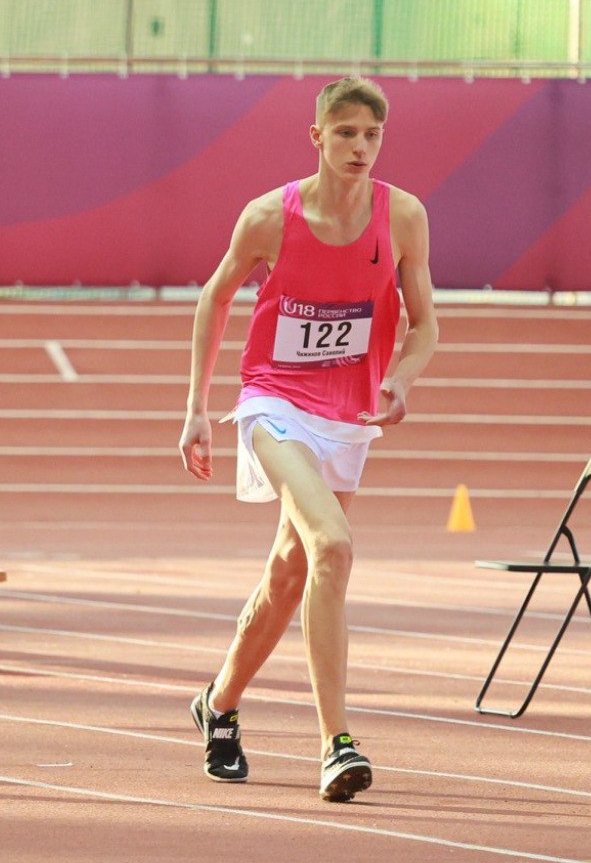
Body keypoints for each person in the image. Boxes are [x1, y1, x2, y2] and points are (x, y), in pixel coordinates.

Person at [177, 76, 439, 803]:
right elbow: (215, 297)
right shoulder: (269, 216)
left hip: (349, 418)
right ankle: (336, 743)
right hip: (274, 404)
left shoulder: (403, 216)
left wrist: (402, 379)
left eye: (372, 135)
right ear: (318, 136)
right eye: (346, 132)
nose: (360, 147)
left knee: (290, 573)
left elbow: (425, 324)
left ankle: (218, 703)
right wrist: (197, 408)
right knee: (333, 545)